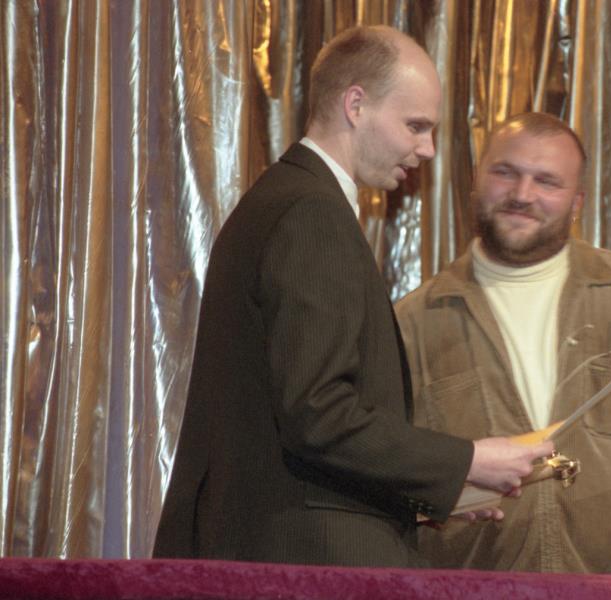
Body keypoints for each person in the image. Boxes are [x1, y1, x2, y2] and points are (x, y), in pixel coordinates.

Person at [153, 25, 552, 568]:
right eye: (415, 126)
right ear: (356, 105)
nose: (428, 149)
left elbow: (289, 426)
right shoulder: (311, 211)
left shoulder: (288, 198)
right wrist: (467, 461)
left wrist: (434, 492)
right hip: (304, 560)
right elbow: (318, 413)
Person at [395, 112, 611, 575]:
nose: (522, 194)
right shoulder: (414, 322)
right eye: (505, 172)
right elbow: (392, 470)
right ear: (476, 182)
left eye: (547, 181)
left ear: (577, 203)